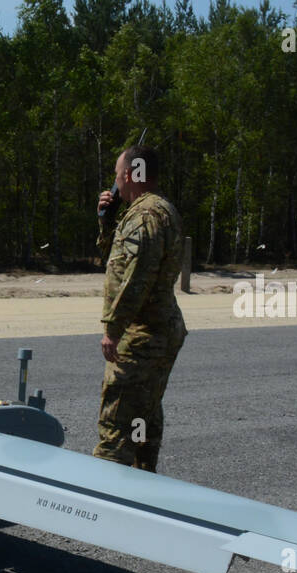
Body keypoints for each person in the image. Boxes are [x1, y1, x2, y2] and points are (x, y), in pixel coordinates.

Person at [94, 144, 187, 472]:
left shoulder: (144, 216)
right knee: (143, 416)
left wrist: (112, 328)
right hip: (160, 330)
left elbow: (136, 277)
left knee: (117, 424)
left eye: (118, 173)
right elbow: (118, 260)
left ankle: (101, 504)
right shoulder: (158, 211)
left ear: (132, 173)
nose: (115, 181)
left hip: (141, 334)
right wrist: (107, 221)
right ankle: (143, 487)